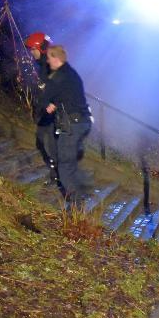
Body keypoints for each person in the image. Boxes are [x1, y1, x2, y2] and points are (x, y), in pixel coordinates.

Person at [38, 45, 92, 206]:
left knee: (65, 166)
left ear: (56, 58)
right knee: (71, 162)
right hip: (83, 123)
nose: (47, 61)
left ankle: (76, 206)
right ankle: (80, 194)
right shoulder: (72, 74)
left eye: (48, 58)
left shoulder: (58, 78)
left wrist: (48, 103)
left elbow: (43, 99)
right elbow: (66, 95)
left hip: (71, 126)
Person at [25, 32, 58, 186]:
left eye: (33, 49)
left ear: (41, 48)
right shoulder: (42, 64)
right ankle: (56, 175)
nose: (31, 52)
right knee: (45, 143)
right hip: (48, 112)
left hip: (56, 113)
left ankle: (58, 177)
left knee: (50, 144)